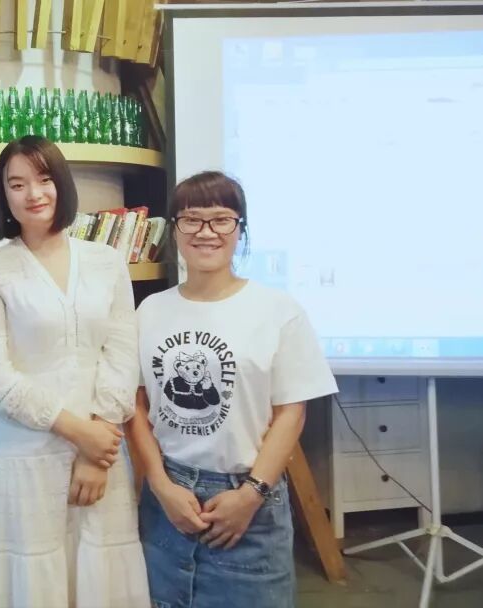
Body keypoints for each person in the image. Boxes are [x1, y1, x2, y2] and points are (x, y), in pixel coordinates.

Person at [128, 171, 338, 608]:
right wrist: (161, 485)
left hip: (249, 498)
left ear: (240, 229)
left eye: (221, 219)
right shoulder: (150, 310)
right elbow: (137, 403)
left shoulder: (278, 309)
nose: (206, 232)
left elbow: (291, 412)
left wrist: (251, 493)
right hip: (169, 498)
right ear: (175, 229)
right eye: (191, 219)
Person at [0, 136, 149, 607]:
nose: (34, 193)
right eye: (17, 184)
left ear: (61, 183)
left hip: (102, 456)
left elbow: (121, 355)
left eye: (44, 179)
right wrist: (80, 433)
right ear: (3, 195)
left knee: (99, 578)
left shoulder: (107, 262)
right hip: (21, 456)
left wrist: (96, 448)